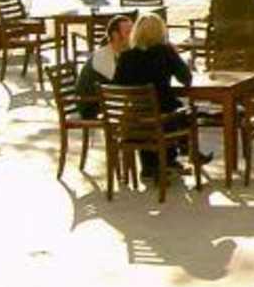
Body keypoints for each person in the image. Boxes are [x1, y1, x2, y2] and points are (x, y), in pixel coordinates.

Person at [113, 12, 197, 171]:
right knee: (182, 111)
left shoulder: (126, 57)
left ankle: (150, 166)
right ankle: (183, 153)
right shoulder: (165, 52)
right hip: (162, 116)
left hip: (135, 118)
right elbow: (186, 78)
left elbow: (117, 87)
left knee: (158, 111)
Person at [75, 13, 135, 118]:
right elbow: (121, 84)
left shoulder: (120, 53)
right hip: (92, 108)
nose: (133, 37)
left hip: (107, 101)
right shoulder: (102, 56)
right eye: (128, 33)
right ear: (115, 35)